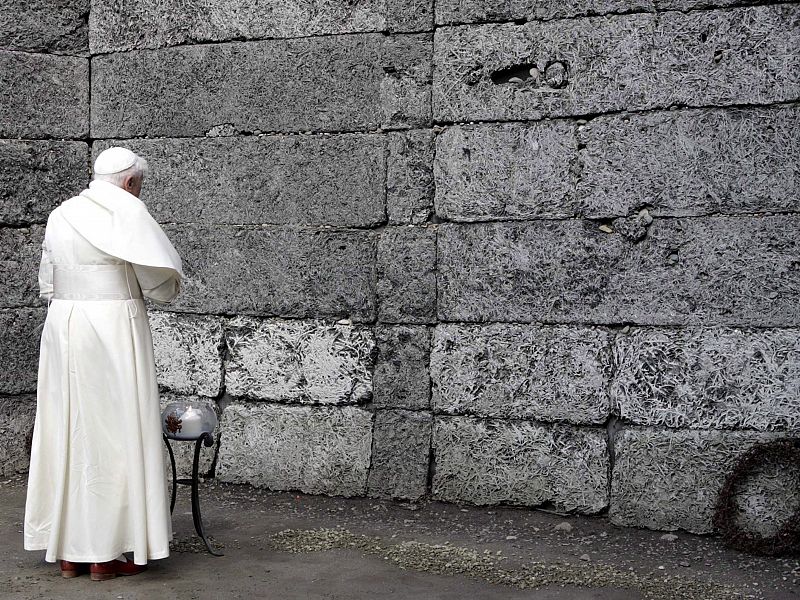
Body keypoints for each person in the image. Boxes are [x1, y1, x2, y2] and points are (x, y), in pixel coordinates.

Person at [23, 147, 183, 581]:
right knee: (116, 430)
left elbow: (49, 278)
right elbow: (160, 282)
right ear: (131, 182)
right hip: (112, 325)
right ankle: (104, 552)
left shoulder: (62, 213)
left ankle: (70, 551)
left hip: (63, 324)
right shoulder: (127, 212)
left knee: (67, 428)